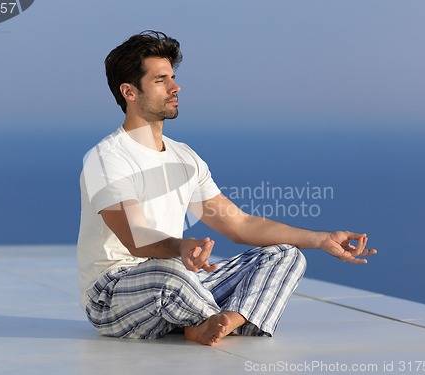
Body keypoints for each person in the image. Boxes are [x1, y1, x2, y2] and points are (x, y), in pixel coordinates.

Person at [77, 30, 377, 346]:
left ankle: (218, 321)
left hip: (180, 281)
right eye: (160, 80)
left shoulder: (185, 157)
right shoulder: (107, 158)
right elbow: (136, 238)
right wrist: (181, 247)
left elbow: (239, 224)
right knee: (169, 276)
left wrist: (321, 239)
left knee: (285, 255)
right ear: (129, 92)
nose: (175, 87)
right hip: (115, 294)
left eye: (173, 78)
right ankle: (212, 318)